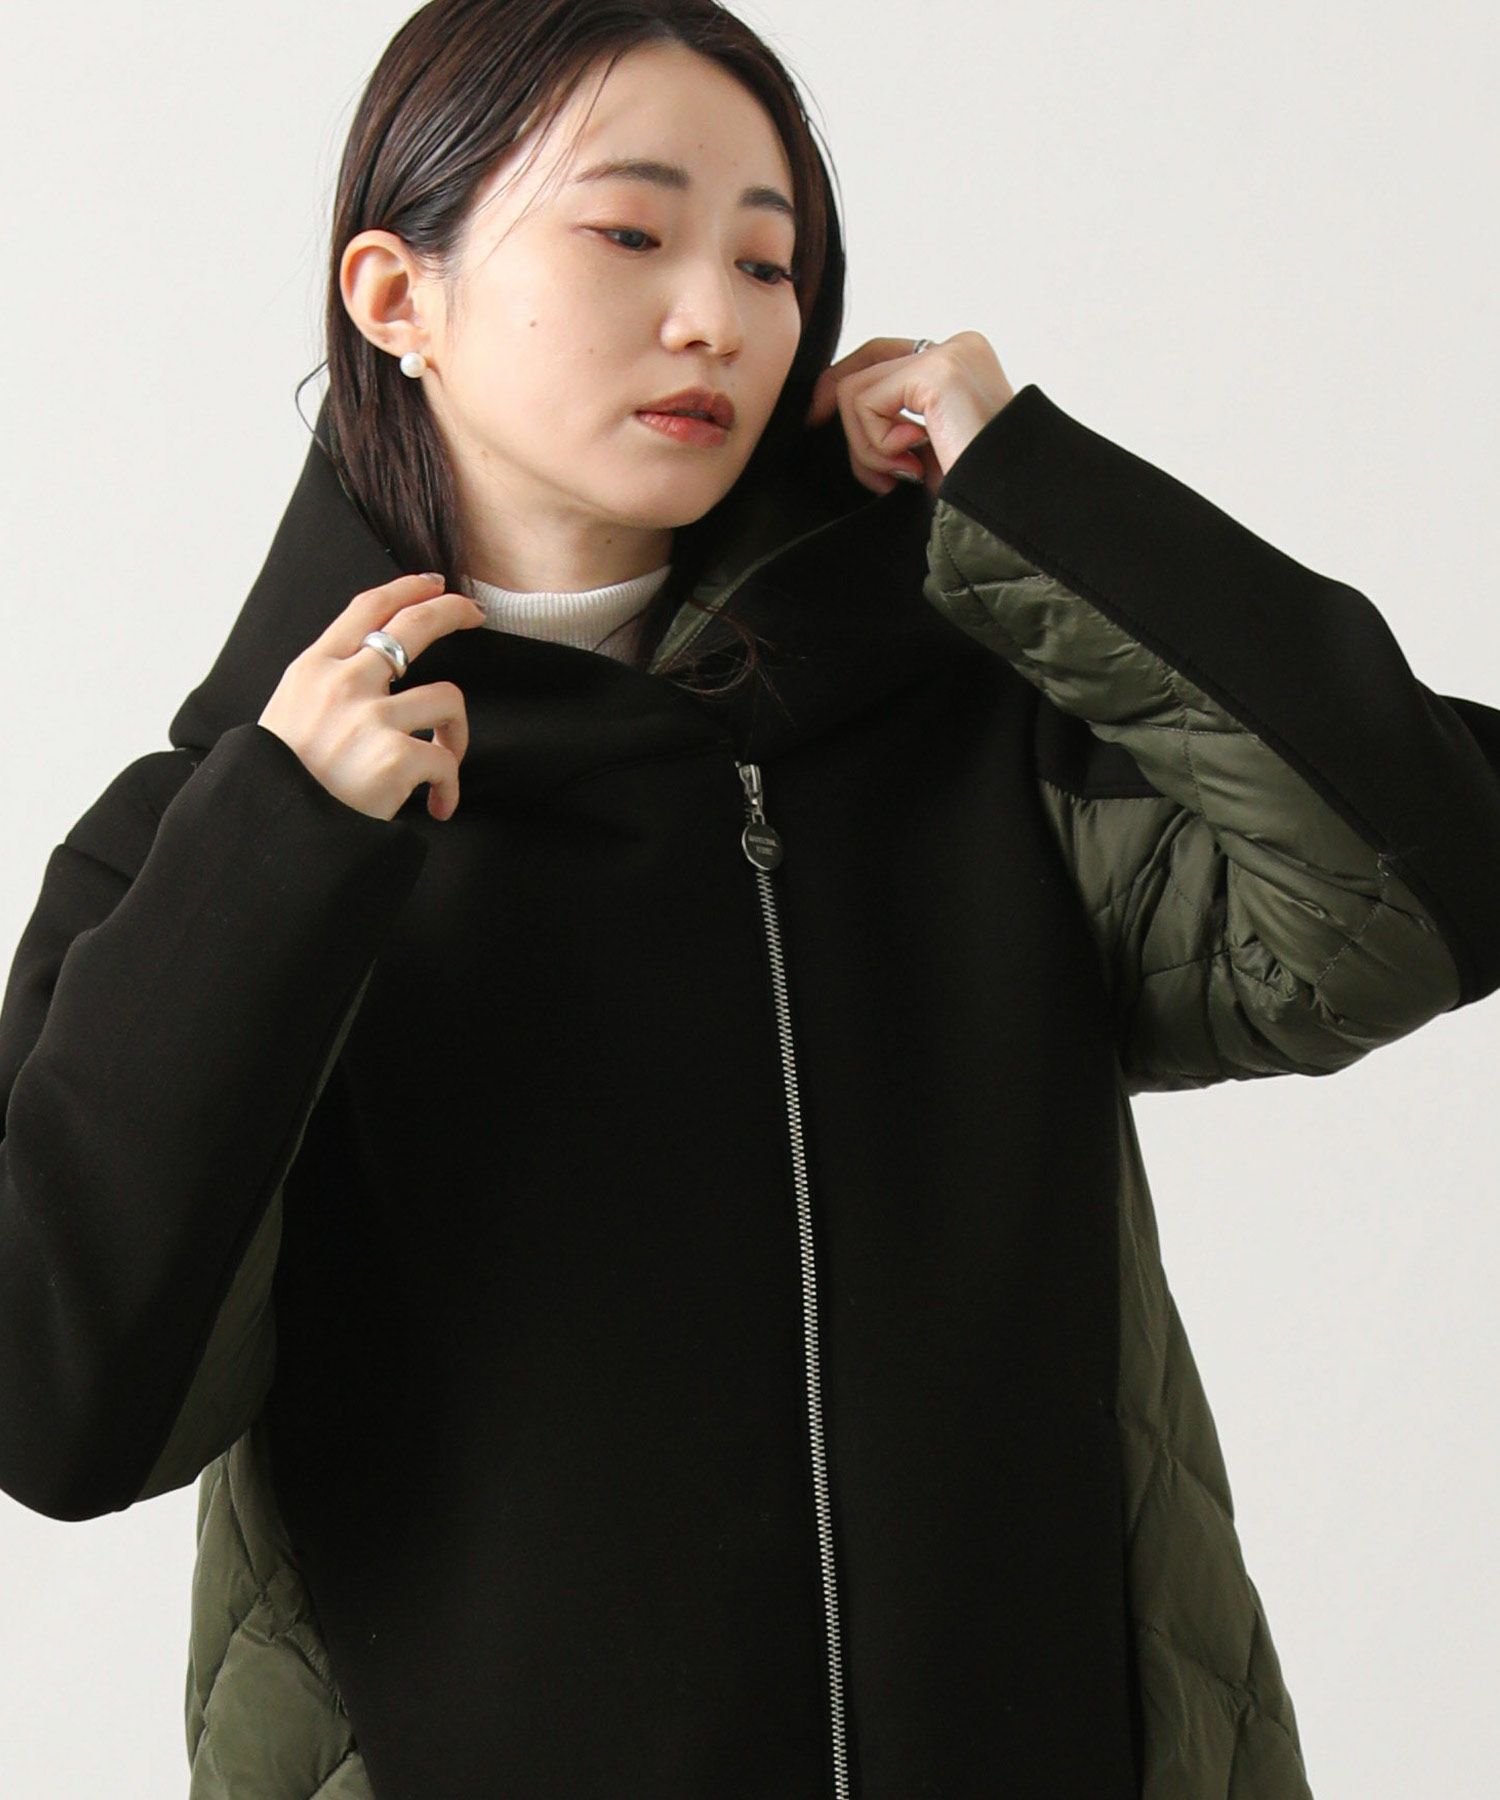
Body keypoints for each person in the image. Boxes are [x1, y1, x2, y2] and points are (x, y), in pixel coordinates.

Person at [2, 1, 1497, 1795]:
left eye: (770, 262)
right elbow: (63, 1412)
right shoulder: (223, 841)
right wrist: (277, 852)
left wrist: (1032, 497)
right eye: (631, 233)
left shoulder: (967, 729)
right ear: (397, 296)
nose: (717, 314)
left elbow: (1426, 888)